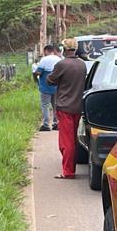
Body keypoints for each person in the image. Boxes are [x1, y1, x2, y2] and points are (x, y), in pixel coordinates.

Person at [45, 42, 90, 179]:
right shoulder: (82, 64)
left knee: (66, 141)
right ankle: (70, 168)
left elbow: (50, 80)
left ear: (64, 49)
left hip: (64, 106)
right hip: (77, 107)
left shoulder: (62, 64)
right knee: (73, 139)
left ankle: (68, 171)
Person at [32, 44, 60, 131]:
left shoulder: (44, 59)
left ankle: (46, 124)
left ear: (46, 51)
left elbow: (39, 72)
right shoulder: (59, 59)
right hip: (57, 87)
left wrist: (35, 76)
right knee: (56, 105)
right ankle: (56, 123)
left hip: (45, 86)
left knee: (45, 105)